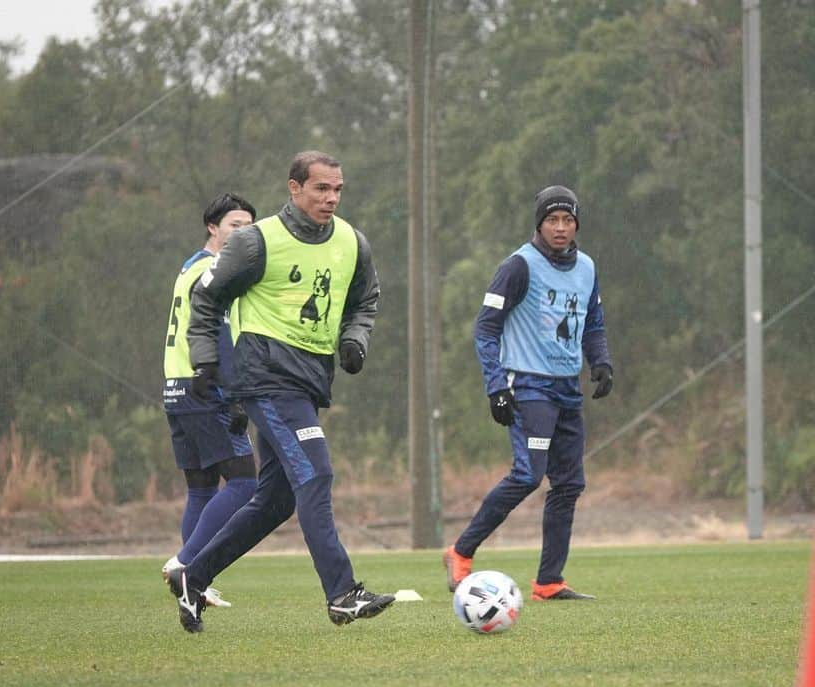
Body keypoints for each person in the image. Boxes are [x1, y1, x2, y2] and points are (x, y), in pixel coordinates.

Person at [167, 150, 393, 632]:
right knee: (316, 473)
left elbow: (365, 299)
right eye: (320, 189)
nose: (331, 198)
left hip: (308, 381)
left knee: (276, 500)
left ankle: (194, 576)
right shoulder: (255, 242)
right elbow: (207, 298)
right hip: (265, 380)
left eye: (337, 190)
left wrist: (355, 338)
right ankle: (342, 593)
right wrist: (206, 358)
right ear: (294, 188)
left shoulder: (354, 242)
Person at [443, 185, 614, 601]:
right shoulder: (518, 266)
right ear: (539, 223)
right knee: (528, 474)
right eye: (552, 220)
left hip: (567, 388)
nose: (560, 228)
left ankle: (549, 581)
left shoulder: (587, 266)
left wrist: (601, 361)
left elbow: (592, 321)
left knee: (569, 484)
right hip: (529, 385)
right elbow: (486, 327)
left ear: (576, 225)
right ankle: (460, 551)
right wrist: (496, 386)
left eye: (567, 220)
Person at [161, 192, 259, 608]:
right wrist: (234, 392)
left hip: (175, 386)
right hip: (206, 387)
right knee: (245, 482)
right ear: (213, 227)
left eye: (250, 227)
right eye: (236, 225)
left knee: (200, 488)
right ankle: (186, 565)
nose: (245, 232)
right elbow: (217, 333)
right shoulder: (216, 272)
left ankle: (194, 581)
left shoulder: (188, 267)